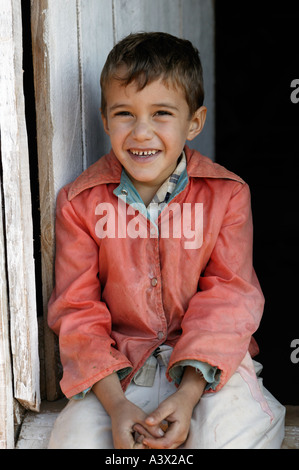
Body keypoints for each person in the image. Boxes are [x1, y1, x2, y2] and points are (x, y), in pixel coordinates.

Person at [47, 32, 285, 449]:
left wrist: (189, 391)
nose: (141, 132)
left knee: (228, 437)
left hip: (209, 367)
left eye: (161, 113)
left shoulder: (227, 195)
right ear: (104, 119)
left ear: (194, 122)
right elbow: (77, 310)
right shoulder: (79, 203)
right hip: (118, 371)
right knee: (73, 441)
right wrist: (117, 404)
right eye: (124, 113)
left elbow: (230, 298)